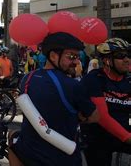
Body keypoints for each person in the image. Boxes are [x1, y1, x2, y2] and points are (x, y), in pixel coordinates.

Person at [8, 32, 99, 166]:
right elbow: (95, 117)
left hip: (28, 154)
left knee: (12, 134)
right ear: (53, 56)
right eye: (71, 56)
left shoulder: (28, 78)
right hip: (62, 157)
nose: (76, 62)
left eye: (78, 57)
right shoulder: (73, 86)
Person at [80, 38, 131, 166]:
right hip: (97, 138)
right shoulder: (94, 79)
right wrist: (128, 137)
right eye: (120, 56)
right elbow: (102, 117)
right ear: (107, 60)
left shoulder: (128, 81)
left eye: (128, 55)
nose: (127, 59)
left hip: (121, 133)